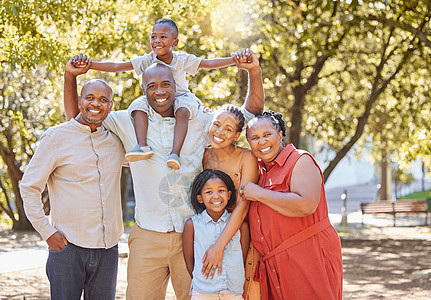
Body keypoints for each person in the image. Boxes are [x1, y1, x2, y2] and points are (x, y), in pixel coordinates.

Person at [64, 49, 264, 300]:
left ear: (175, 86)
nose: (159, 91)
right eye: (152, 86)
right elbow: (76, 118)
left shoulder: (198, 120)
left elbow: (249, 114)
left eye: (166, 84)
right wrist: (70, 76)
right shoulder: (126, 121)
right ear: (143, 89)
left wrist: (253, 71)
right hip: (147, 234)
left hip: (192, 233)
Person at [73, 18, 249, 169]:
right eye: (153, 37)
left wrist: (235, 61)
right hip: (156, 99)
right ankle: (142, 146)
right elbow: (119, 66)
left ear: (174, 42)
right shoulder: (148, 59)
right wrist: (90, 65)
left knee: (182, 110)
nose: (157, 40)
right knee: (137, 106)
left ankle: (175, 153)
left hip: (181, 97)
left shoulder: (182, 59)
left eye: (163, 37)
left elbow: (209, 64)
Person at [19, 64, 125, 299]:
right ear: (79, 101)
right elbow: (29, 187)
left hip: (108, 250)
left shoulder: (116, 142)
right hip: (68, 248)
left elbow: (148, 162)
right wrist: (46, 231)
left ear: (110, 106)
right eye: (90, 98)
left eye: (102, 99)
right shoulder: (56, 137)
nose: (95, 103)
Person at [241, 111, 343, 300]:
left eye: (267, 135)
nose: (261, 141)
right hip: (274, 265)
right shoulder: (260, 171)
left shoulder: (299, 160)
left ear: (280, 135)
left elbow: (306, 204)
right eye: (254, 138)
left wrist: (258, 193)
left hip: (308, 256)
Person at [201, 104, 261, 299]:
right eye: (216, 125)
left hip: (241, 235)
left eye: (228, 129)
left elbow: (243, 207)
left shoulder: (247, 157)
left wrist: (219, 246)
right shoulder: (203, 156)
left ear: (237, 135)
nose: (219, 132)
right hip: (209, 235)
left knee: (241, 291)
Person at [183, 169, 249, 299]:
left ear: (229, 194)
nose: (216, 196)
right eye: (209, 192)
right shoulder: (192, 225)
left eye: (221, 190)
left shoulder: (241, 226)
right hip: (203, 293)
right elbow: (189, 262)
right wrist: (205, 283)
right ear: (200, 198)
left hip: (233, 292)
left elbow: (243, 256)